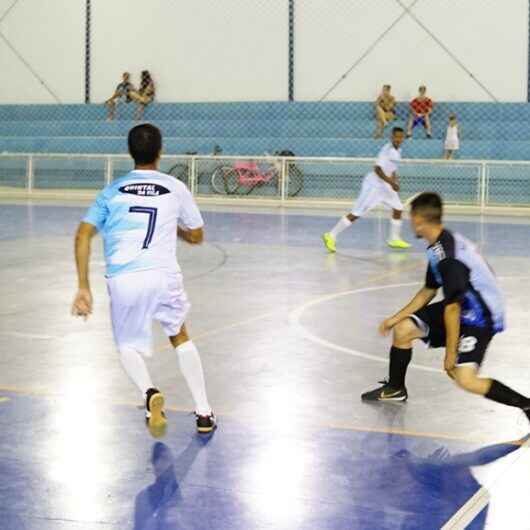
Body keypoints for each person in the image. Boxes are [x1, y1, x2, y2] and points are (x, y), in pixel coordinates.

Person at [71, 123, 216, 436]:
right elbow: (197, 236)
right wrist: (175, 228)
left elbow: (83, 234)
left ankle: (149, 392)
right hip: (163, 275)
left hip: (124, 278)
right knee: (180, 336)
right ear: (161, 152)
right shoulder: (175, 187)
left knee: (126, 345)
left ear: (129, 152)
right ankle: (204, 412)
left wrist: (83, 286)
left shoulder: (111, 191)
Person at [361, 192, 530, 427]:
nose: (410, 222)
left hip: (481, 316)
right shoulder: (437, 247)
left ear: (419, 220)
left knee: (465, 379)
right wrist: (393, 319)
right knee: (403, 329)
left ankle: (527, 405)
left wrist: (451, 354)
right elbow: (428, 290)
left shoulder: (449, 257)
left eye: (411, 218)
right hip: (463, 306)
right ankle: (395, 388)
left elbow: (452, 309)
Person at [322, 127, 411, 252]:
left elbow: (392, 168)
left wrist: (394, 180)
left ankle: (394, 238)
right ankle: (330, 235)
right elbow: (377, 169)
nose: (399, 139)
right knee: (357, 213)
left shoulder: (398, 150)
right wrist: (391, 182)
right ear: (391, 137)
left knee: (398, 208)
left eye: (401, 137)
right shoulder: (387, 150)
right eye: (396, 137)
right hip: (374, 185)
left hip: (385, 185)